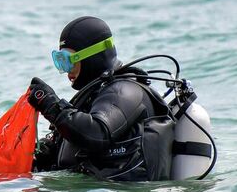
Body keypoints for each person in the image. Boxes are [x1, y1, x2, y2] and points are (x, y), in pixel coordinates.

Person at [27, 16, 164, 181]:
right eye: (60, 61)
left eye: (67, 61)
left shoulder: (126, 91)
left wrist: (50, 105)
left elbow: (98, 133)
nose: (65, 70)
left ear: (90, 57)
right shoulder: (95, 95)